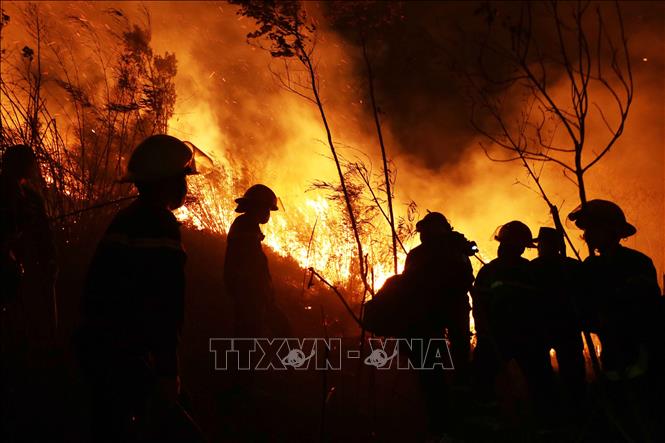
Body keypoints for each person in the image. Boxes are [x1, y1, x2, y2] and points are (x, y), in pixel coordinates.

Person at [77, 134, 204, 442]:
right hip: (128, 355)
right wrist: (166, 370)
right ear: (167, 182)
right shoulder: (158, 226)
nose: (185, 187)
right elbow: (164, 305)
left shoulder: (128, 218)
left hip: (101, 348)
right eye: (182, 178)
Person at [569, 199, 664, 440]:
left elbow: (648, 308)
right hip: (611, 347)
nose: (587, 235)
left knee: (642, 407)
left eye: (592, 229)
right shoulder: (590, 266)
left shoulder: (637, 263)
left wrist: (612, 310)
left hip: (639, 348)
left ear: (611, 230)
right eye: (585, 230)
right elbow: (583, 309)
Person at [0, 144, 58, 441]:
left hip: (24, 277)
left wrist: (49, 261)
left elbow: (44, 235)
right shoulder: (4, 193)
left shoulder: (33, 198)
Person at [401, 211, 475, 438]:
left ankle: (443, 421)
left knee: (434, 373)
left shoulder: (422, 254)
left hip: (429, 320)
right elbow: (467, 280)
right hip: (443, 318)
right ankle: (456, 417)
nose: (425, 234)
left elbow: (408, 285)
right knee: (456, 363)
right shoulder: (458, 250)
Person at [471, 221, 551, 421]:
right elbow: (479, 305)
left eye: (506, 244)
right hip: (503, 336)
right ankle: (493, 420)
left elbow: (541, 304)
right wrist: (483, 333)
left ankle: (543, 423)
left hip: (523, 336)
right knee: (484, 378)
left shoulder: (527, 271)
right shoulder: (497, 271)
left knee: (539, 381)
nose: (502, 248)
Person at [530, 227, 586, 414]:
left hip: (561, 326)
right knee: (544, 373)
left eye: (544, 244)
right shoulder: (534, 268)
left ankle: (570, 410)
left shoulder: (534, 268)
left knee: (570, 373)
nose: (541, 248)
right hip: (547, 326)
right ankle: (560, 410)